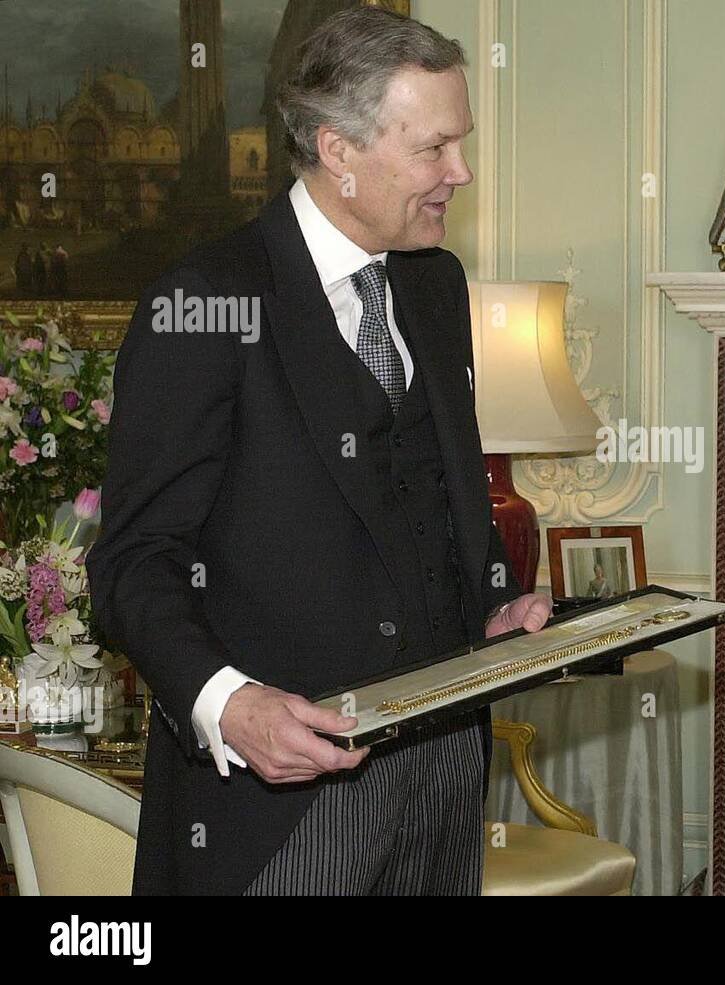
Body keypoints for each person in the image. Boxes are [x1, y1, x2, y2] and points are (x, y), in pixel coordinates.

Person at [89, 6, 551, 896]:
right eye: (434, 148)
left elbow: (446, 501)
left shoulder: (436, 282)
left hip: (445, 776)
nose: (461, 172)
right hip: (278, 814)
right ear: (338, 150)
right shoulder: (206, 301)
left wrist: (492, 610)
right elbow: (133, 565)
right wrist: (230, 703)